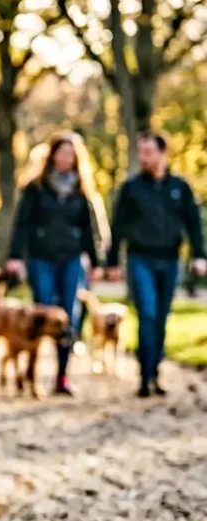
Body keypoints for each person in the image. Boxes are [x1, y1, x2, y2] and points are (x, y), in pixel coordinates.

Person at [106, 130, 207, 398]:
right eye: (141, 152)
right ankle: (145, 375)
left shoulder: (179, 188)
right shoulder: (132, 188)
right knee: (147, 314)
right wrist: (112, 261)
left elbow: (193, 223)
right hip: (140, 258)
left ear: (163, 153)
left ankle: (155, 371)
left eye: (148, 152)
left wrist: (199, 255)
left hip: (170, 259)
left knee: (161, 317)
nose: (144, 157)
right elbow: (119, 226)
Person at [5, 132, 106, 397]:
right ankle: (32, 374)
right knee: (41, 315)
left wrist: (96, 262)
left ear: (76, 159)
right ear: (52, 156)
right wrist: (15, 256)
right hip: (41, 257)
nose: (65, 159)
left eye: (70, 154)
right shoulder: (35, 187)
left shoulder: (82, 190)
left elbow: (89, 229)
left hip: (71, 258)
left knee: (68, 316)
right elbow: (22, 224)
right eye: (61, 153)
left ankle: (62, 376)